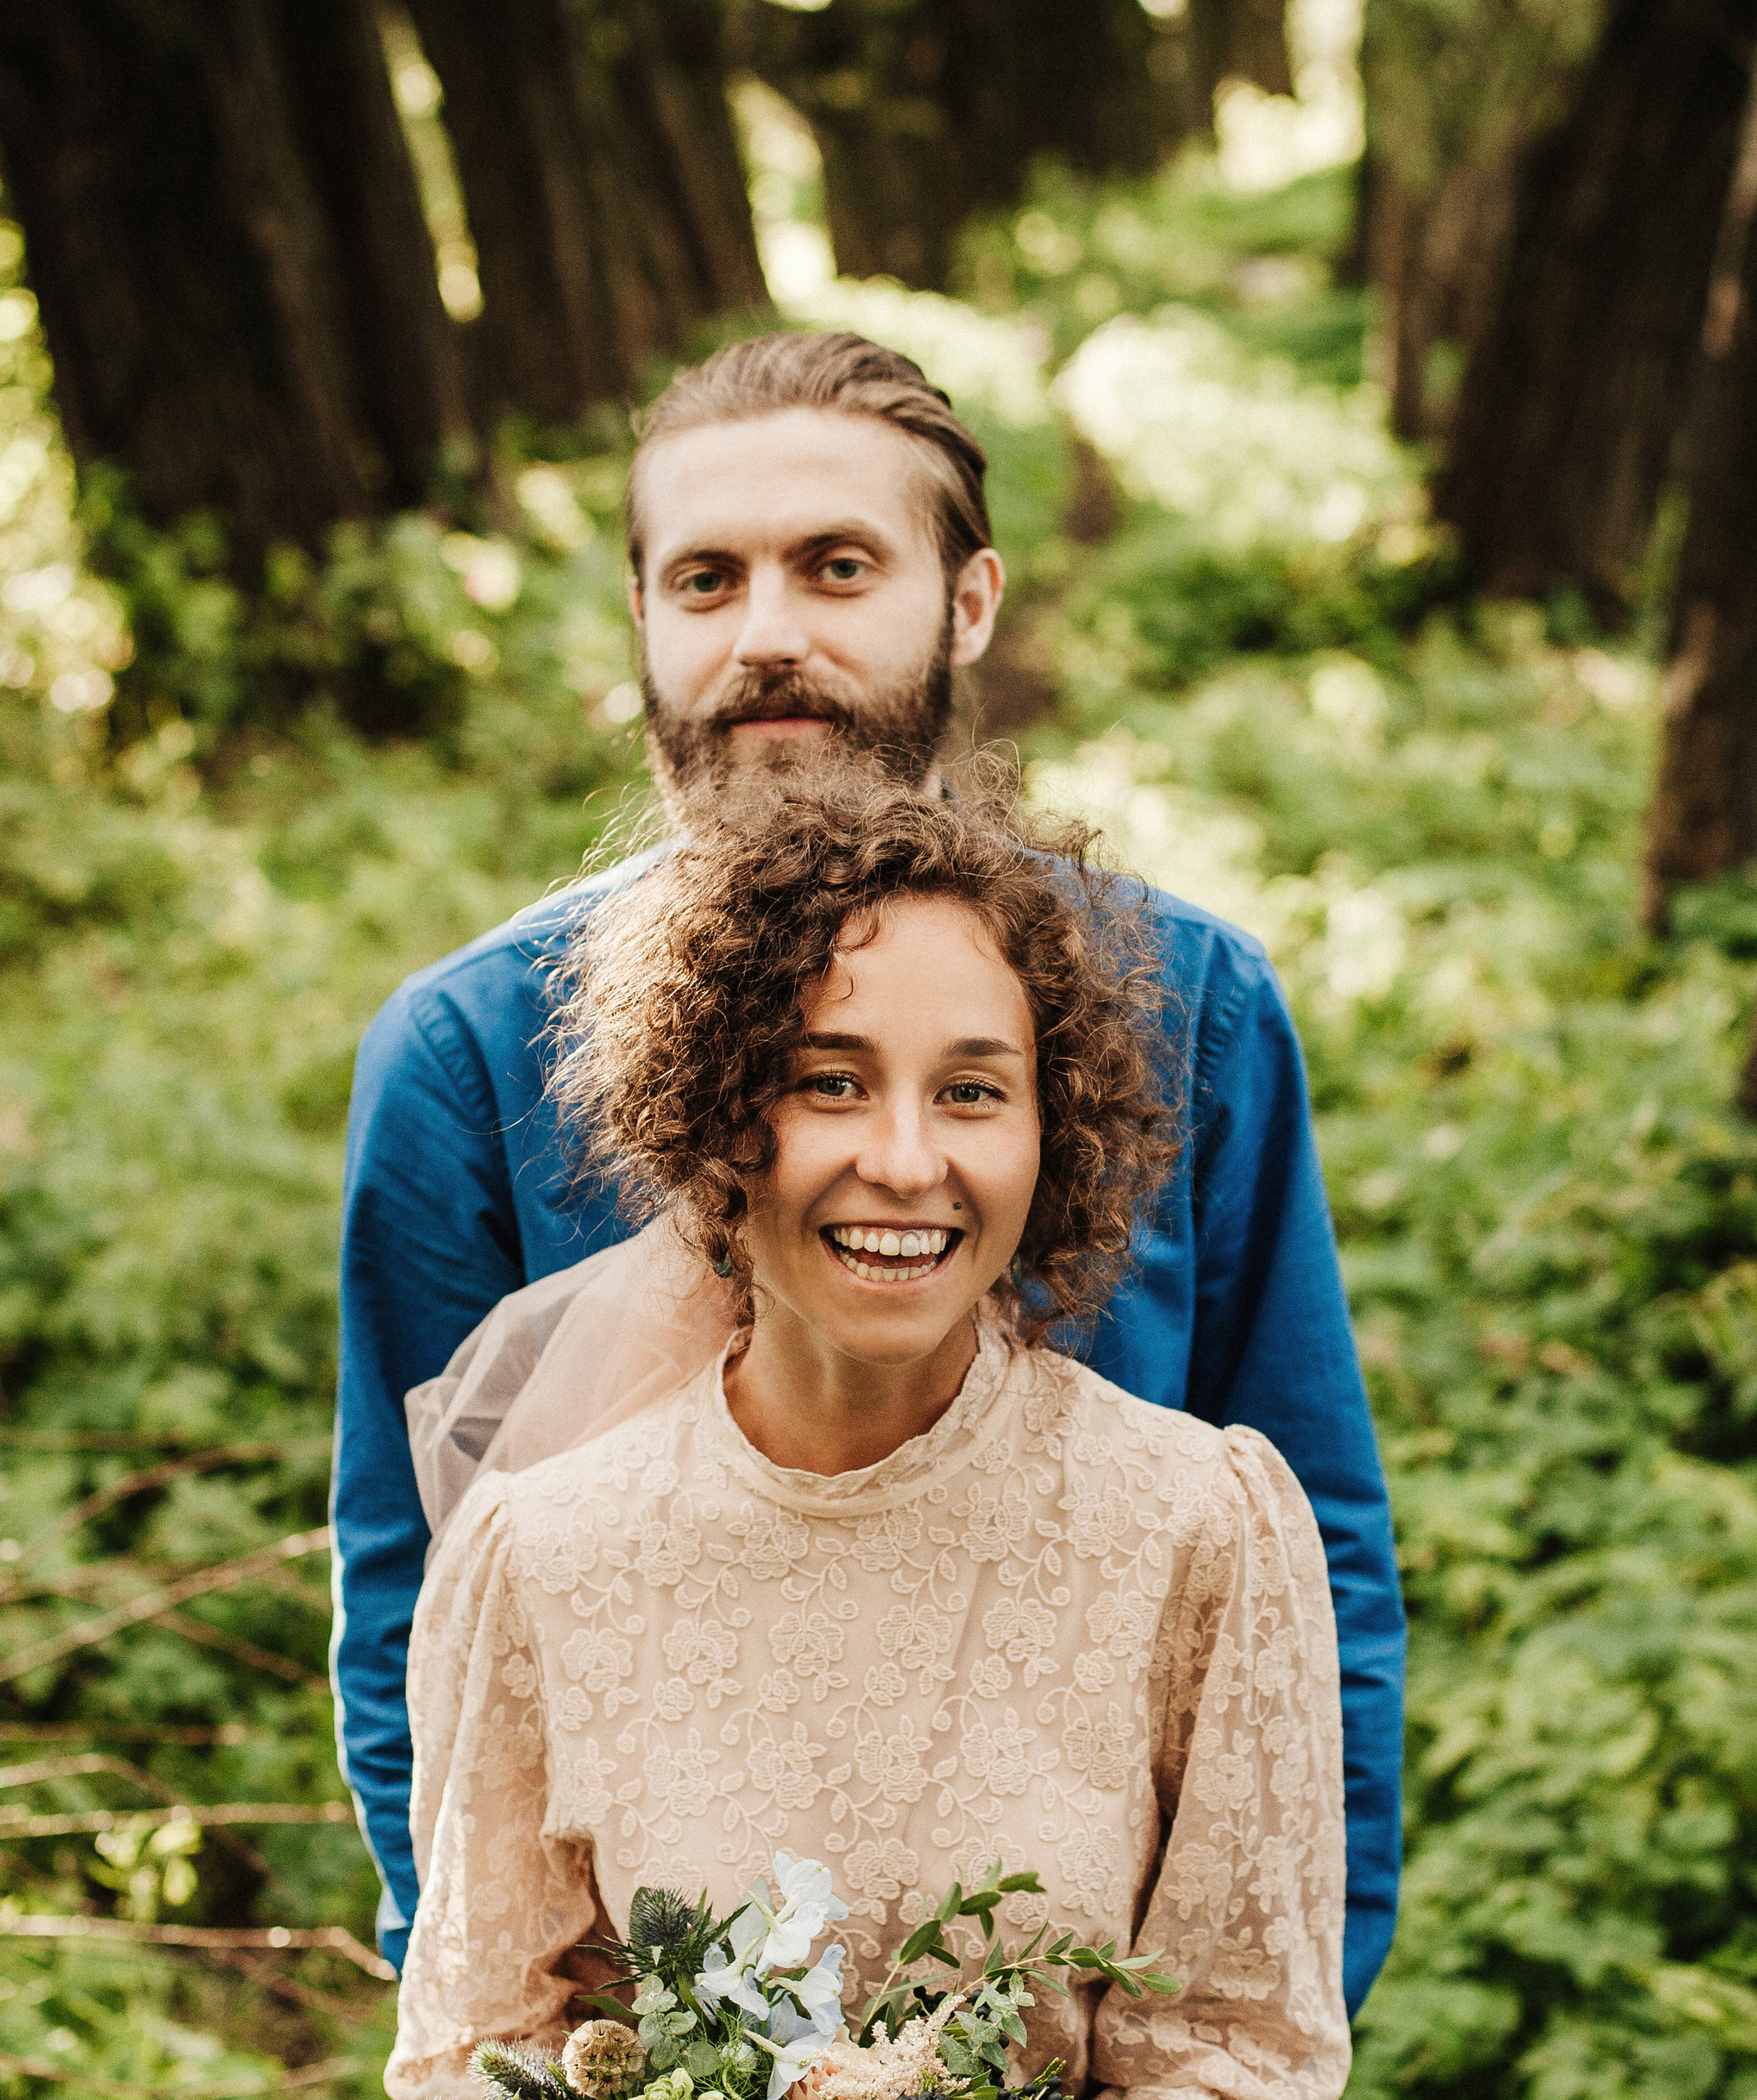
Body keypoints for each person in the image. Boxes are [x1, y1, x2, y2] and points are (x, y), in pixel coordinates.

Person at [333, 331, 1405, 2004]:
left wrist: (1272, 1992)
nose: (767, 634)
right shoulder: (466, 1058)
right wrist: (539, 2023)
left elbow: (1310, 1546)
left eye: (836, 566)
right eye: (705, 578)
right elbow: (419, 1609)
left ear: (966, 600)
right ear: (640, 618)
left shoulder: (1189, 1004)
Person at [386, 778, 1349, 2099]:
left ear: (1049, 1130)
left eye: (972, 1092)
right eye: (831, 1082)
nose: (906, 1159)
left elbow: (1243, 2050)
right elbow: (478, 2055)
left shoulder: (1199, 1527)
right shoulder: (543, 1558)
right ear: (715, 1114)